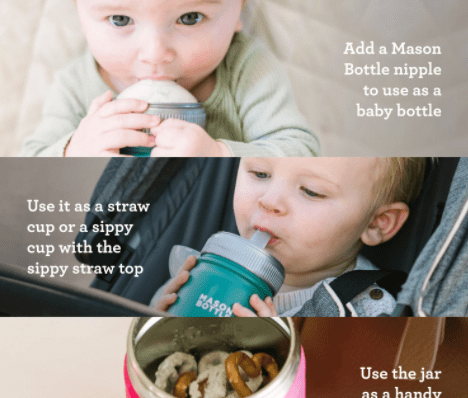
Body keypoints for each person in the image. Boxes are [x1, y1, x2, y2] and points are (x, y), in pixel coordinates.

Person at [19, 0, 319, 157]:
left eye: (190, 17)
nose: (155, 54)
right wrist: (74, 152)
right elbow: (30, 165)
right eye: (120, 19)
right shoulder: (77, 84)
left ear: (239, 7)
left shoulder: (248, 68)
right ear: (80, 15)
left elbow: (300, 150)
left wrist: (219, 154)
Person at [152, 157, 426, 317]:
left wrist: (274, 343)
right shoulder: (211, 267)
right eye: (260, 173)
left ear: (377, 223)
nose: (269, 200)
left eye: (311, 191)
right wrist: (160, 311)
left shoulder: (370, 311)